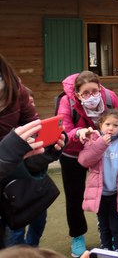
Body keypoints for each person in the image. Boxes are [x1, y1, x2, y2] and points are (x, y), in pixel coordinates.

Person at [57, 70, 118, 257]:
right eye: (85, 93)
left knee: (107, 190)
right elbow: (63, 131)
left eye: (94, 91)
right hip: (73, 153)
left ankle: (114, 230)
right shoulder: (66, 101)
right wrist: (78, 133)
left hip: (104, 152)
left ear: (100, 88)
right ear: (77, 94)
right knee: (75, 196)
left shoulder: (110, 97)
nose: (91, 96)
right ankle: (77, 235)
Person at [0, 54, 65, 249]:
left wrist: (43, 153)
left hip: (8, 195)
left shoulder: (14, 85)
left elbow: (31, 126)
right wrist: (7, 153)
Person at [78, 109, 118, 252]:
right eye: (107, 124)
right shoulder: (93, 140)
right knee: (103, 225)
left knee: (117, 225)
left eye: (115, 125)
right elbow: (84, 160)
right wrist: (100, 144)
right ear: (100, 125)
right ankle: (105, 248)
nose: (111, 128)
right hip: (99, 194)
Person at [7, 87, 49, 247]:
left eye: (32, 102)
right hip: (14, 190)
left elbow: (44, 155)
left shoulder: (38, 127)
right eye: (26, 103)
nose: (30, 106)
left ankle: (32, 249)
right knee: (16, 230)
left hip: (36, 186)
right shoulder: (8, 130)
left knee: (39, 221)